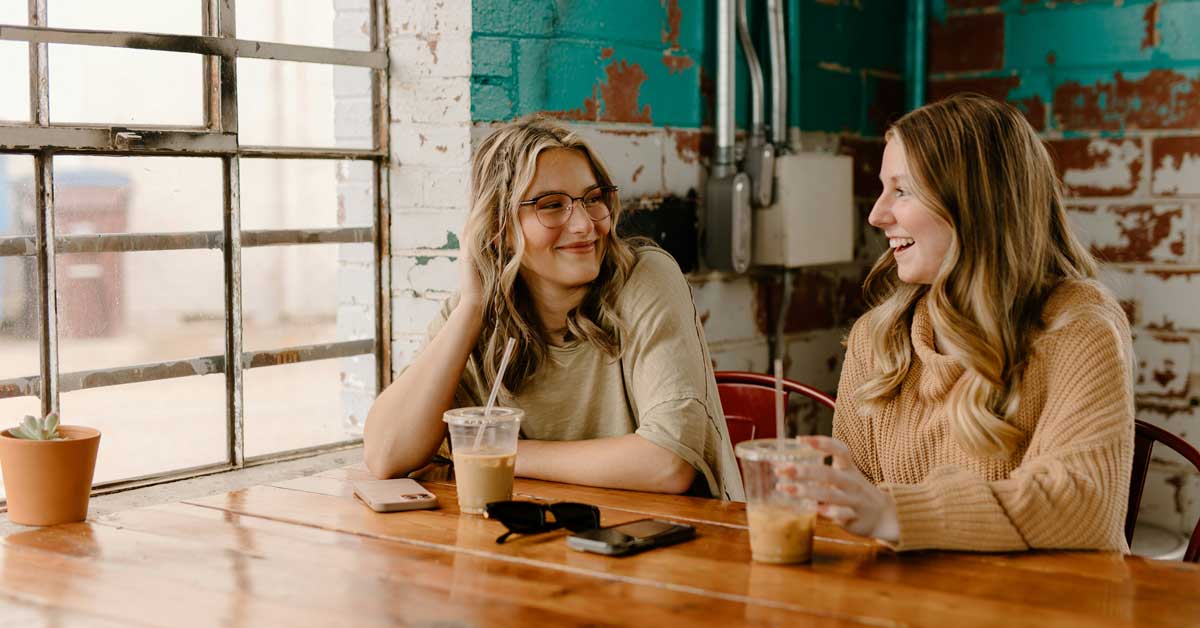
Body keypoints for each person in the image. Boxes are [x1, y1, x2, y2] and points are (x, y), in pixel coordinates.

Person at [784, 94, 1135, 552]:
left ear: (976, 204)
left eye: (902, 190)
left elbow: (1080, 505)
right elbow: (857, 512)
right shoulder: (879, 337)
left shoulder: (1079, 327)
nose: (876, 215)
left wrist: (893, 511)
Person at [364, 116, 744, 500]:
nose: (584, 224)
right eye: (551, 205)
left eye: (593, 199)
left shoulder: (645, 279)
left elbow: (667, 464)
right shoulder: (475, 309)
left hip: (675, 543)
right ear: (499, 229)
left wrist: (499, 451)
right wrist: (471, 307)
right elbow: (385, 455)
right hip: (538, 542)